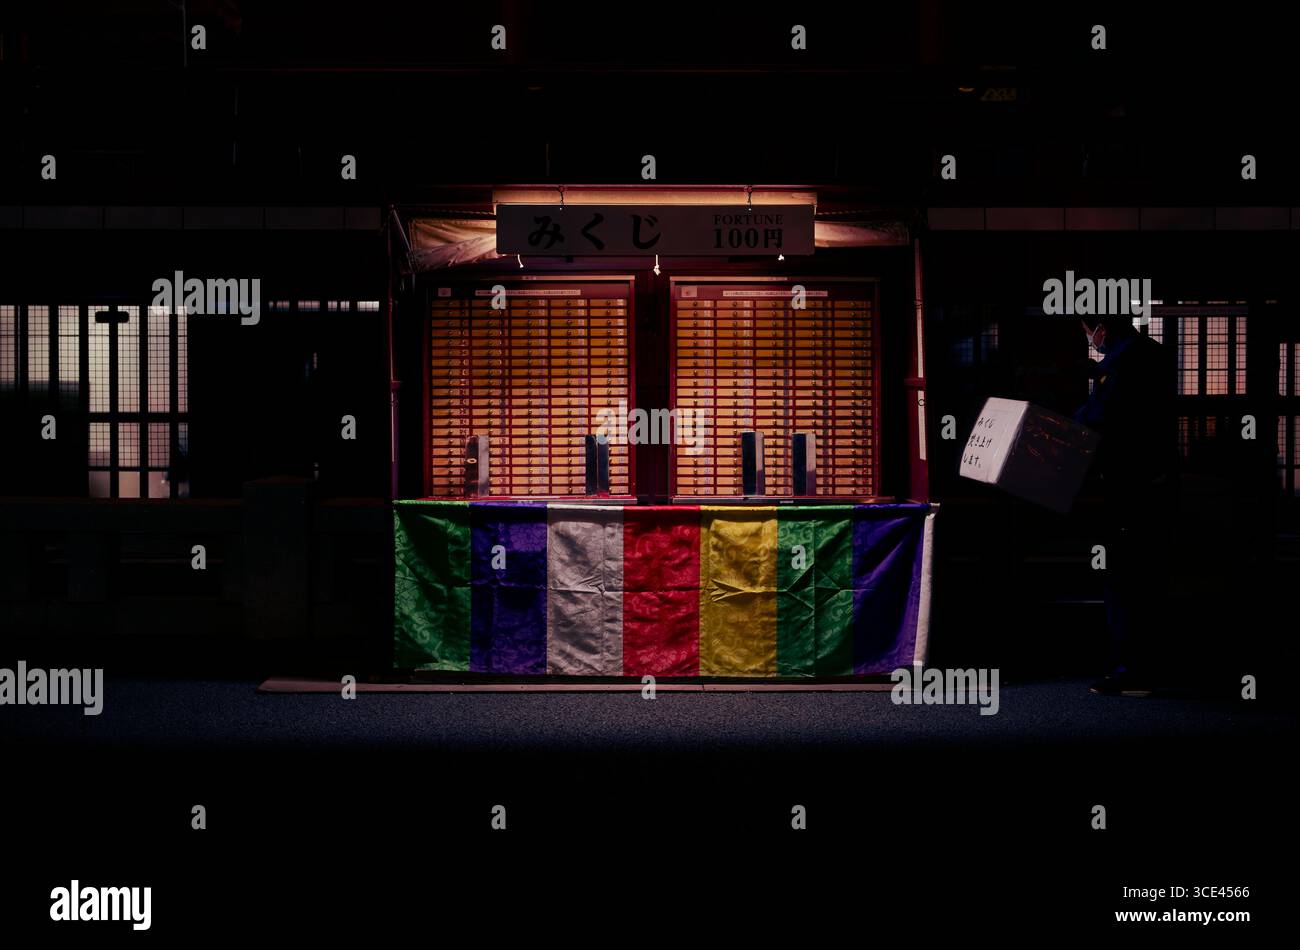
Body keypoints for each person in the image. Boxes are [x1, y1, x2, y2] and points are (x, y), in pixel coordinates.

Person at [1073, 315, 1179, 696]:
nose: (1090, 338)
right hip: (1157, 483)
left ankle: (1131, 670)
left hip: (1128, 486)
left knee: (1123, 578)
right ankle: (1153, 665)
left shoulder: (1120, 364)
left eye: (1088, 330)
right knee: (1151, 576)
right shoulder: (1156, 355)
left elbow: (1098, 418)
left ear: (1101, 327)